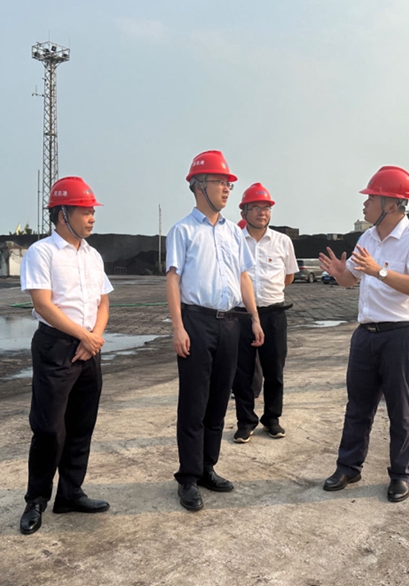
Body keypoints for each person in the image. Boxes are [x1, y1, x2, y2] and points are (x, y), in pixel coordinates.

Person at [319, 165, 409, 503]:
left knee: (401, 410)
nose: (365, 203)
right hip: (366, 334)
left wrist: (379, 271)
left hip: (403, 335)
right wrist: (340, 273)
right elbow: (351, 279)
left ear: (392, 204)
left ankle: (400, 475)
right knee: (358, 406)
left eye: (371, 198)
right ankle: (348, 467)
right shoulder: (367, 238)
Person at [166, 150, 264, 512]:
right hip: (196, 321)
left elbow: (243, 277)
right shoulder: (183, 231)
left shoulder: (233, 233)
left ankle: (208, 467)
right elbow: (173, 279)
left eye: (228, 183)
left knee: (220, 398)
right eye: (220, 182)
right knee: (194, 401)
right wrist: (178, 326)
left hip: (230, 322)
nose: (226, 189)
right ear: (198, 185)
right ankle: (188, 477)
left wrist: (254, 317)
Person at [18, 176, 113, 535]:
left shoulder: (93, 256)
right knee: (49, 428)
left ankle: (71, 492)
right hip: (56, 347)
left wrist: (94, 338)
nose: (92, 218)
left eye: (92, 212)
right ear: (62, 214)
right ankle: (36, 500)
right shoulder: (42, 252)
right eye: (85, 212)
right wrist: (83, 336)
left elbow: (103, 303)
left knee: (81, 425)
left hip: (90, 348)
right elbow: (43, 304)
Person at [232, 183, 298, 443]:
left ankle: (272, 418)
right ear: (244, 212)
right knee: (243, 373)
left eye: (266, 208)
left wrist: (267, 295)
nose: (262, 213)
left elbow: (289, 276)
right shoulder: (234, 240)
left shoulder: (283, 241)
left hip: (274, 315)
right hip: (241, 315)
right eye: (256, 208)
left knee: (274, 371)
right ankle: (245, 421)